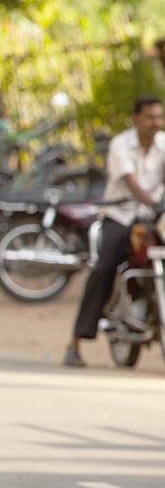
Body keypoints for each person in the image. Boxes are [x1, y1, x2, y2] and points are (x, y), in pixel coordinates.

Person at [64, 95, 165, 367]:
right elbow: (131, 182)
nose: (155, 122)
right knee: (104, 268)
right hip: (121, 215)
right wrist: (152, 201)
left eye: (159, 116)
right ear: (136, 118)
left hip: (153, 218)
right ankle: (76, 341)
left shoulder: (163, 144)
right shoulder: (121, 144)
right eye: (150, 117)